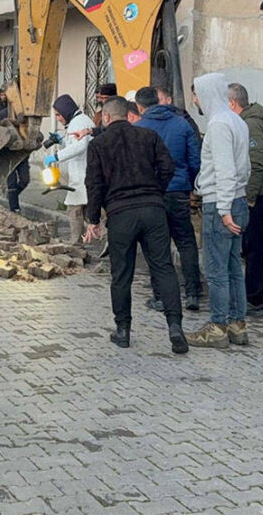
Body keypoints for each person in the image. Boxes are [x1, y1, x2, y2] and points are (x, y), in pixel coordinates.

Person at [84, 96, 188, 355]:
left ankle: (123, 331)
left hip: (120, 215)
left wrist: (93, 220)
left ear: (106, 117)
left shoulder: (98, 144)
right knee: (163, 268)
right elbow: (168, 167)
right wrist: (156, 192)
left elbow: (94, 184)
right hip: (153, 211)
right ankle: (175, 327)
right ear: (128, 115)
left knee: (121, 274)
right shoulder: (148, 136)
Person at [187, 73, 252, 348]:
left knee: (216, 270)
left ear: (207, 93)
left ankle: (217, 327)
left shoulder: (217, 124)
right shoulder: (237, 120)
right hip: (238, 199)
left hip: (220, 204)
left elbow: (225, 169)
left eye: (197, 94)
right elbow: (244, 168)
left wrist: (223, 209)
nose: (194, 100)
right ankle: (237, 325)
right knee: (234, 267)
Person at [134, 86, 203, 313]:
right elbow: (195, 160)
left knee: (156, 245)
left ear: (139, 106)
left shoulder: (138, 129)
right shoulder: (181, 124)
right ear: (159, 101)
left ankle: (161, 296)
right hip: (178, 191)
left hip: (151, 194)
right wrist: (190, 184)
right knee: (185, 241)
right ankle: (193, 293)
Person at [227, 83, 263, 317]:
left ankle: (254, 300)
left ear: (232, 103)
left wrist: (248, 199)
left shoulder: (250, 125)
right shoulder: (247, 123)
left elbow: (256, 165)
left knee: (256, 249)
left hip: (261, 196)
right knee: (250, 247)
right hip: (259, 193)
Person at [43, 94, 95, 244]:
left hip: (83, 175)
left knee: (75, 211)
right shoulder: (79, 121)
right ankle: (86, 241)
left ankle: (76, 244)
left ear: (66, 111)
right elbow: (74, 144)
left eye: (58, 114)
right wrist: (62, 141)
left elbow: (80, 146)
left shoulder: (79, 122)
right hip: (82, 175)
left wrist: (57, 156)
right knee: (87, 212)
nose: (58, 118)